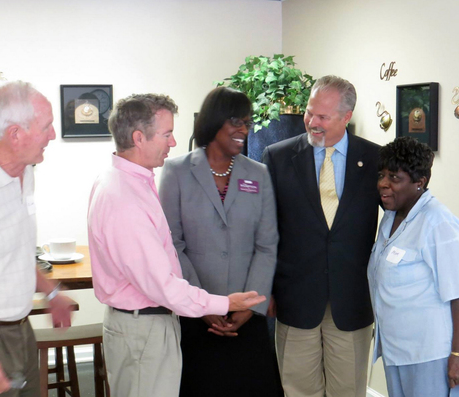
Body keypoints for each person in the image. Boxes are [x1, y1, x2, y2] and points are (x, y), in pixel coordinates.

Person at [87, 93, 266, 397]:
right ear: (139, 138)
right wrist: (225, 303)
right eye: (167, 134)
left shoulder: (130, 182)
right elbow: (163, 286)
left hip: (148, 325)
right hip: (143, 329)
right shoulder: (124, 199)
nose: (173, 142)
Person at [159, 87, 282, 397]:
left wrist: (250, 307)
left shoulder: (259, 174)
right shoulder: (177, 171)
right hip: (197, 314)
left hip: (247, 316)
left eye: (247, 122)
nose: (244, 130)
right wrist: (202, 304)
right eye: (235, 122)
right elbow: (172, 244)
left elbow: (267, 244)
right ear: (214, 122)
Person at [262, 75, 380, 397]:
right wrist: (266, 288)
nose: (312, 122)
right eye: (309, 112)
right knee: (297, 389)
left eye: (323, 117)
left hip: (352, 299)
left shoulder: (375, 159)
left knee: (348, 390)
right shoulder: (278, 157)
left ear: (346, 117)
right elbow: (266, 231)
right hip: (295, 298)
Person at [0, 81, 73, 397]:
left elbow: (14, 250)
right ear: (15, 134)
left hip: (21, 332)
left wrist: (51, 292)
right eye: (47, 126)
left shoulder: (25, 173)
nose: (53, 135)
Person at [368, 136, 459, 397]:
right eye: (382, 175)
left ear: (420, 183)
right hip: (396, 350)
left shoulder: (438, 223)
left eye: (394, 178)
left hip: (430, 354)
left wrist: (457, 354)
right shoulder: (390, 218)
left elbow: (457, 295)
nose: (383, 184)